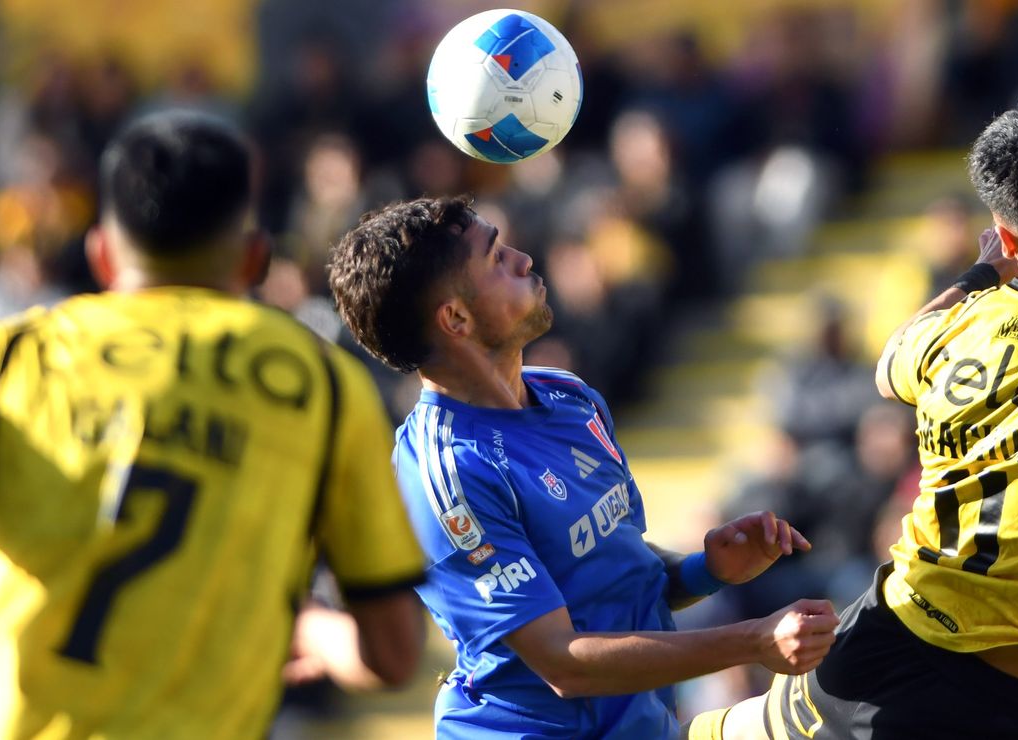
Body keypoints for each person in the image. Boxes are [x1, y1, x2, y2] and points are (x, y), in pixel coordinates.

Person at [0, 110, 427, 738]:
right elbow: (393, 654)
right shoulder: (322, 384)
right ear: (255, 257)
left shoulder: (10, 354)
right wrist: (309, 626)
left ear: (99, 255)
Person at [690, 106, 1018, 740]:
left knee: (703, 730)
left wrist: (983, 271)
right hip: (982, 708)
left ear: (1007, 237)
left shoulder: (956, 326)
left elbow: (888, 364)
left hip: (868, 646)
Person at [328, 194, 840, 739]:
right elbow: (563, 662)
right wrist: (754, 640)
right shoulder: (448, 473)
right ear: (456, 317)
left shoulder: (569, 397)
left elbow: (612, 575)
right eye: (497, 257)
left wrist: (705, 570)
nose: (524, 259)